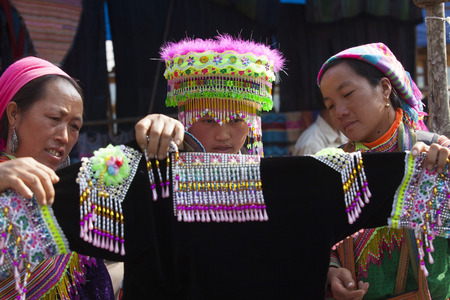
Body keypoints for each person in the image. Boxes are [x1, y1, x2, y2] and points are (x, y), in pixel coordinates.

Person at [317, 43, 450, 299]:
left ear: (385, 88)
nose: (340, 111)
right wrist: (331, 271)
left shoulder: (433, 154)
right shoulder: (330, 164)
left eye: (348, 94)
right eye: (331, 104)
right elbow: (317, 238)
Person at [0, 56, 114, 299]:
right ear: (14, 114)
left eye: (74, 126)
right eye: (54, 119)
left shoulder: (71, 193)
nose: (64, 136)